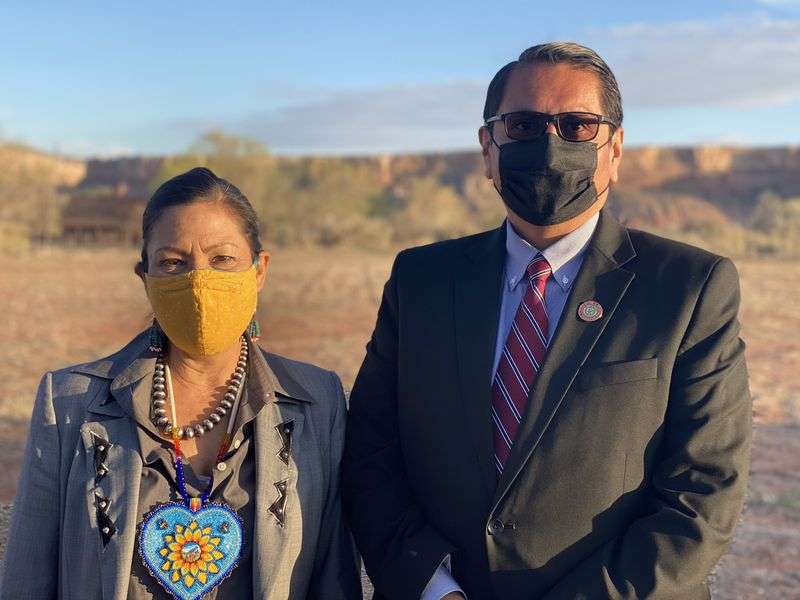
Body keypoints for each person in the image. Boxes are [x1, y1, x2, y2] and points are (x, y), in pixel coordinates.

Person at [342, 42, 751, 599]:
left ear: (614, 150)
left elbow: (703, 489)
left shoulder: (688, 287)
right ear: (488, 148)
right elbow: (371, 451)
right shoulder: (421, 280)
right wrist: (436, 588)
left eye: (578, 126)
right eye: (524, 125)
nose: (550, 145)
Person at [1, 167, 362, 599]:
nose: (198, 282)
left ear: (259, 271)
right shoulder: (68, 403)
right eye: (173, 262)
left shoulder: (317, 402)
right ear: (145, 278)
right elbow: (26, 581)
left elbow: (333, 578)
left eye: (222, 259)